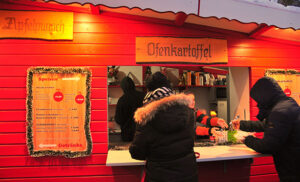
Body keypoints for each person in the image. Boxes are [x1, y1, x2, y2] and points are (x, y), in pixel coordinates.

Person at [129, 72, 227, 182]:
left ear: (149, 93)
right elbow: (191, 136)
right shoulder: (188, 112)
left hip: (159, 176)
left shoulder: (145, 118)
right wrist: (211, 129)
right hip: (188, 175)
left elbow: (136, 153)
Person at [231, 76, 300, 182]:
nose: (258, 104)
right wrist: (242, 124)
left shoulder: (279, 112)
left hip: (292, 166)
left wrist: (247, 140)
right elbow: (269, 125)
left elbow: (268, 146)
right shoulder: (288, 103)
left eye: (258, 100)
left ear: (265, 97)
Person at [115, 76, 145, 142]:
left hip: (127, 135)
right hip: (143, 133)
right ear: (133, 85)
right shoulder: (143, 96)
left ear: (123, 87)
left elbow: (118, 119)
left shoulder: (122, 100)